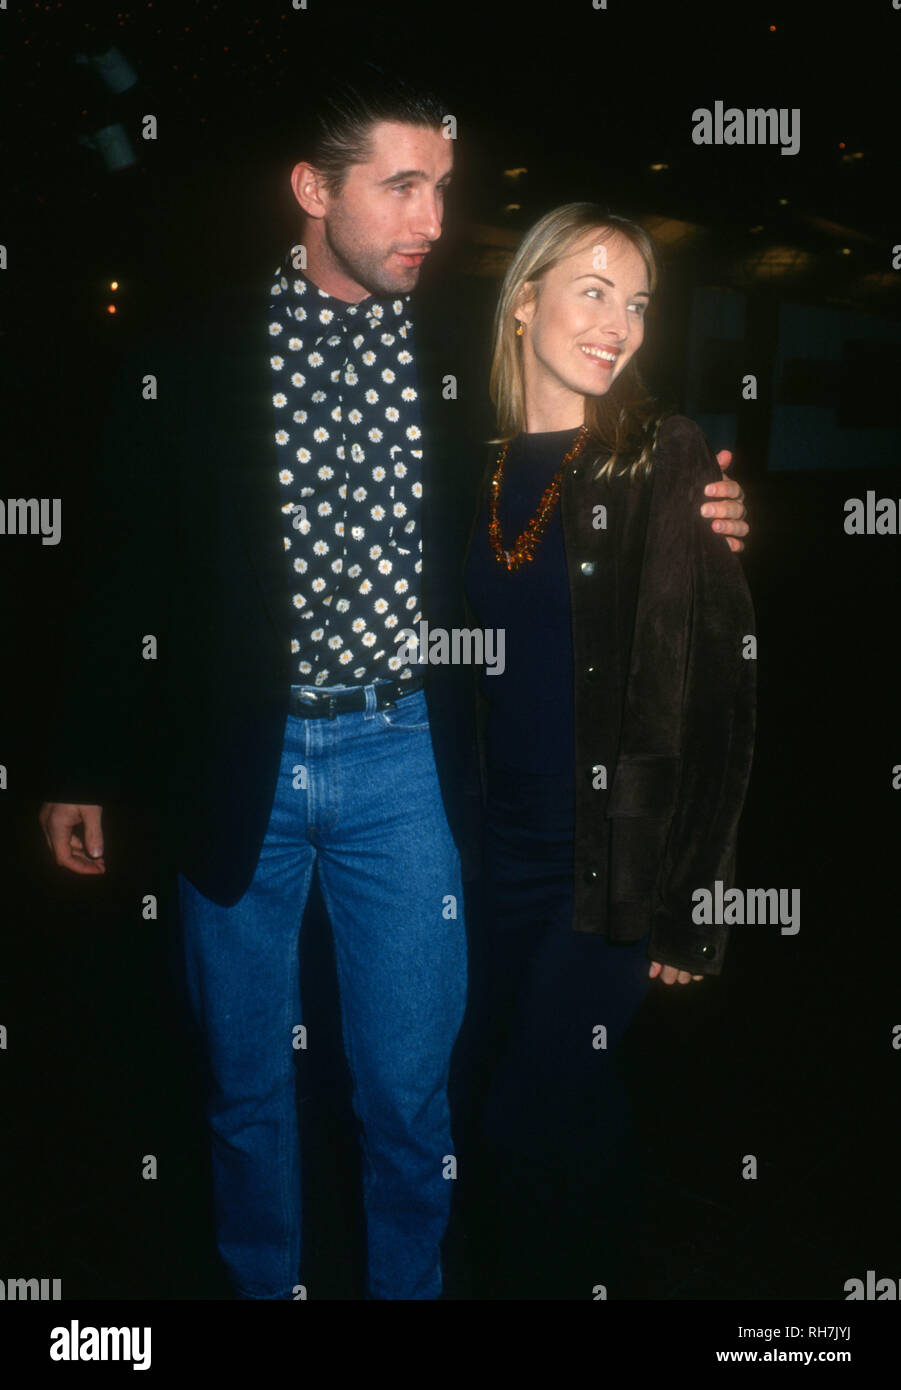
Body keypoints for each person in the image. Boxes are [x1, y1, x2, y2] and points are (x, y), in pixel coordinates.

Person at [37, 69, 748, 1301]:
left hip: (406, 764)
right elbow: (130, 568)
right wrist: (85, 763)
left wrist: (702, 502)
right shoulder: (189, 354)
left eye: (445, 189)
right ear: (314, 191)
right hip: (237, 762)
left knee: (409, 1095)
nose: (432, 218)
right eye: (403, 186)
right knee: (246, 1087)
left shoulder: (459, 339)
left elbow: (581, 429)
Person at [459, 203, 757, 1298]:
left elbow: (719, 701)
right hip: (480, 864)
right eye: (593, 289)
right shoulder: (469, 464)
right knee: (548, 1109)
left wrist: (695, 907)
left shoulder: (666, 456)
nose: (619, 322)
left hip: (607, 877)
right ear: (524, 299)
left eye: (636, 303)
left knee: (525, 1110)